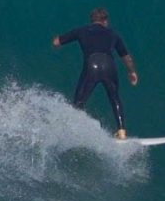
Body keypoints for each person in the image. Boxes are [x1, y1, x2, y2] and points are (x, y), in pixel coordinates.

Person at [53, 7, 139, 139]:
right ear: (105, 21)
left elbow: (57, 41)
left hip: (92, 64)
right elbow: (126, 57)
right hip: (109, 65)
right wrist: (132, 72)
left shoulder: (81, 31)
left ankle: (72, 132)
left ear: (92, 20)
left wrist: (57, 43)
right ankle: (122, 131)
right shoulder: (113, 34)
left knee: (79, 102)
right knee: (114, 97)